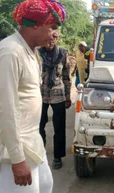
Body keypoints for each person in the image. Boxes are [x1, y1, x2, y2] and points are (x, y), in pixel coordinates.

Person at [0, 0, 66, 193]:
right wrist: (17, 159)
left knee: (45, 185)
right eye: (52, 26)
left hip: (31, 140)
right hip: (10, 148)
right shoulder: (10, 53)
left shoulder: (30, 50)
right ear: (35, 25)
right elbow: (4, 108)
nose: (55, 33)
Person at [38, 30, 71, 170]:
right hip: (40, 94)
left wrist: (68, 95)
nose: (52, 40)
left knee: (59, 127)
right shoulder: (37, 53)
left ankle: (57, 157)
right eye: (50, 36)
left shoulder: (63, 53)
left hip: (58, 94)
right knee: (39, 125)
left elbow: (66, 75)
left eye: (55, 37)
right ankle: (40, 152)